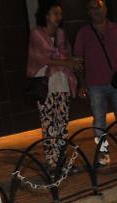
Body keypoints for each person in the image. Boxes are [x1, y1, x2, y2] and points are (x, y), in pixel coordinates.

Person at [73, 0, 117, 166]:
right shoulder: (84, 33)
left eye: (99, 7)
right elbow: (78, 60)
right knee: (99, 122)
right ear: (88, 12)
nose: (96, 11)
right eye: (92, 8)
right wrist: (81, 83)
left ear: (106, 8)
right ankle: (103, 153)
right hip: (95, 85)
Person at [27, 0, 82, 171]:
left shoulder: (61, 34)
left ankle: (63, 162)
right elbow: (43, 59)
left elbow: (67, 56)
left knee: (62, 125)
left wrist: (71, 63)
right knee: (49, 125)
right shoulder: (36, 33)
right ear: (46, 15)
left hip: (62, 83)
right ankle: (53, 164)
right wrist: (68, 62)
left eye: (60, 13)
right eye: (55, 13)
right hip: (45, 85)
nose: (59, 17)